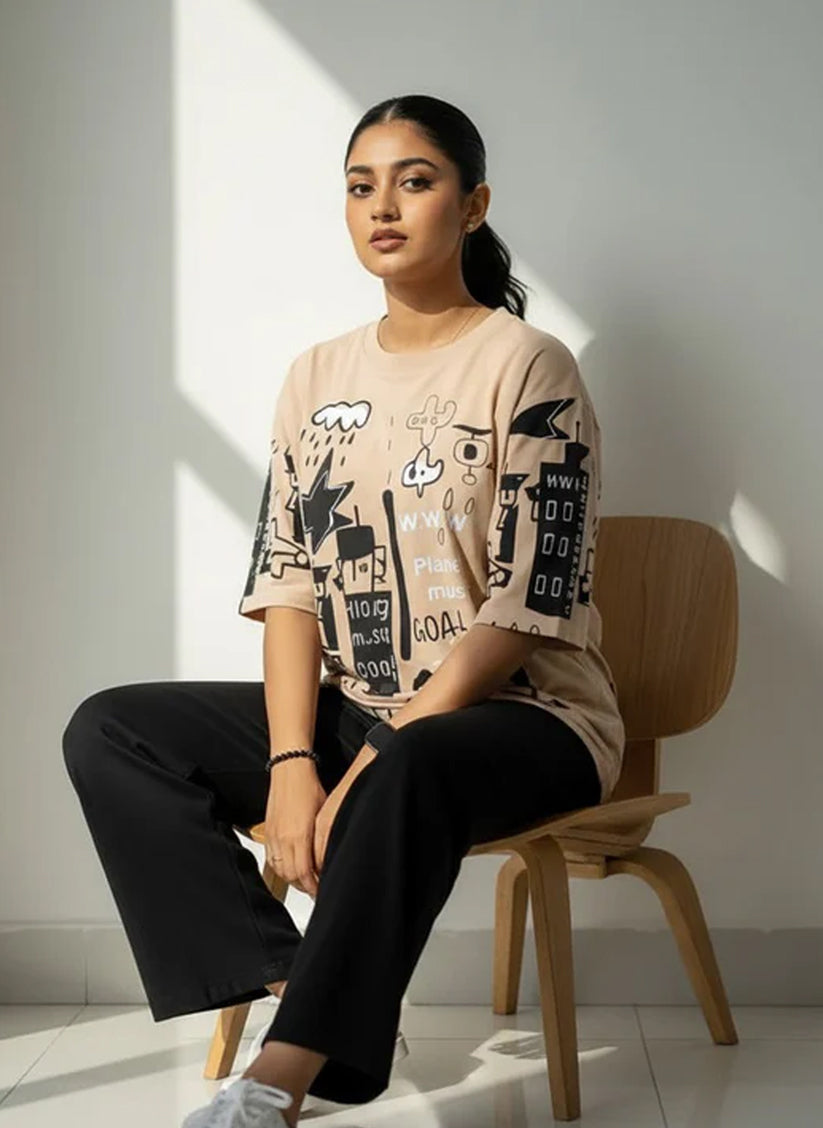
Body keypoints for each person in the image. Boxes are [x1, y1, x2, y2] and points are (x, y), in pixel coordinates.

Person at [62, 93, 625, 1128]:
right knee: (113, 729)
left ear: (472, 205)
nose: (383, 207)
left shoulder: (526, 363)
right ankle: (309, 990)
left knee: (410, 761)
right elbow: (289, 583)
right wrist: (292, 764)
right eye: (361, 186)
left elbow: (525, 602)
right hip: (365, 707)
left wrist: (369, 760)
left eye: (415, 181)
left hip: (527, 719)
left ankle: (276, 1082)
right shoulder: (316, 375)